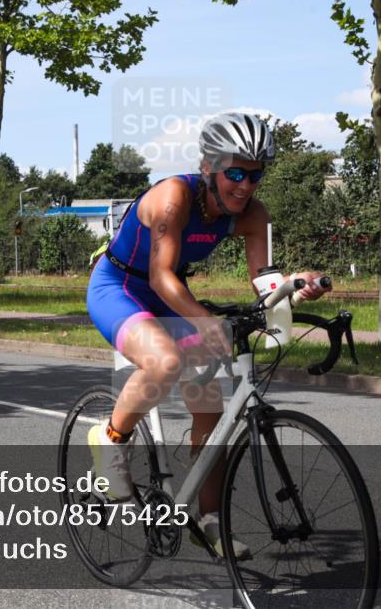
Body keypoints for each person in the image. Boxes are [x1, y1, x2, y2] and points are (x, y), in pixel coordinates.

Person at [85, 112, 330, 557]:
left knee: (211, 408)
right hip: (119, 286)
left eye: (255, 174)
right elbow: (160, 276)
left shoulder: (254, 214)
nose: (245, 185)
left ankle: (208, 521)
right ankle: (110, 438)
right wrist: (205, 321)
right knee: (165, 361)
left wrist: (294, 286)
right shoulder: (173, 197)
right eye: (234, 173)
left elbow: (264, 281)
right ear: (208, 168)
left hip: (170, 293)